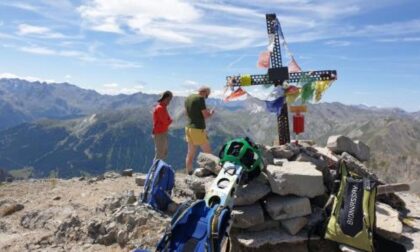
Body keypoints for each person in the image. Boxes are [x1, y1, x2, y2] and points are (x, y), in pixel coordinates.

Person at [184, 86, 214, 175]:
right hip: (197, 129)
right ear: (204, 92)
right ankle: (206, 171)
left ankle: (189, 172)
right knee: (208, 153)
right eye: (207, 95)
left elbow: (186, 113)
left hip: (188, 128)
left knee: (190, 153)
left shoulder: (188, 98)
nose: (206, 97)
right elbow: (206, 115)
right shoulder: (200, 99)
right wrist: (210, 113)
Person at [152, 90, 173, 160]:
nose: (169, 102)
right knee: (160, 152)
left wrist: (169, 120)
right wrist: (169, 121)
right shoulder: (160, 108)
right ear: (165, 98)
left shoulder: (163, 107)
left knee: (163, 152)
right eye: (169, 99)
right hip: (160, 132)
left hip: (162, 131)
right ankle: (155, 170)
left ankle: (159, 169)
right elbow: (166, 121)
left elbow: (168, 119)